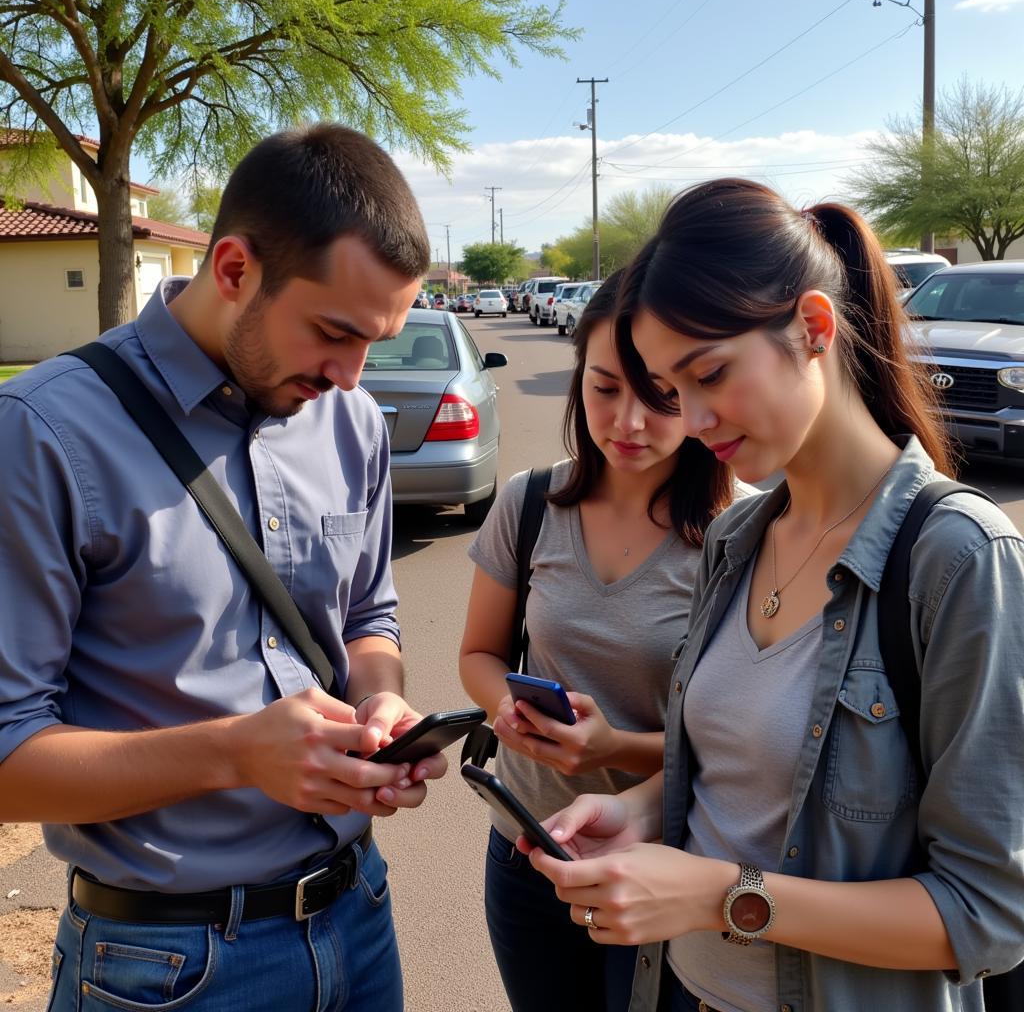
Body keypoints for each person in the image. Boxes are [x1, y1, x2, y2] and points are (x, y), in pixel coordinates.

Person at [522, 178, 1024, 1012]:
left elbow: (987, 914)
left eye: (709, 373)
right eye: (670, 389)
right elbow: (740, 775)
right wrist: (643, 813)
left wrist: (720, 895)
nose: (692, 416)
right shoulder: (736, 539)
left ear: (814, 328)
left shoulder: (958, 559)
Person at [0, 124, 446, 1012]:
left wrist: (381, 702)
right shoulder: (40, 433)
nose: (353, 378)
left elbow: (368, 618)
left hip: (359, 917)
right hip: (163, 964)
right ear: (234, 268)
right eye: (333, 332)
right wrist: (238, 754)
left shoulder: (348, 422)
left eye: (377, 344)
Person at [459, 270, 751, 1011]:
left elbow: (745, 746)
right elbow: (479, 654)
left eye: (660, 395)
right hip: (528, 848)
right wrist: (512, 712)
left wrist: (611, 748)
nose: (628, 421)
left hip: (666, 866)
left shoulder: (744, 533)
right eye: (603, 388)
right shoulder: (528, 503)